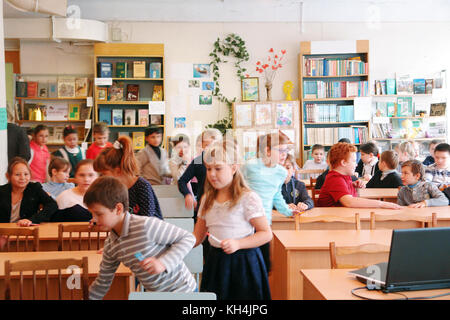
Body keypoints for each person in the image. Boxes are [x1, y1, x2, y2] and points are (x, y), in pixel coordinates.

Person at [85, 176, 196, 300]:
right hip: (158, 295)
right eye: (92, 214)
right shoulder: (111, 246)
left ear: (118, 209)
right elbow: (102, 282)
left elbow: (188, 238)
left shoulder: (145, 225)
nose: (93, 219)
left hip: (184, 291)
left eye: (99, 214)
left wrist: (163, 263)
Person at [193, 139, 272, 300]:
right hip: (216, 263)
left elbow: (265, 233)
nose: (212, 174)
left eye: (218, 168)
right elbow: (197, 237)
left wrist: (238, 243)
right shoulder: (206, 199)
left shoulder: (248, 198)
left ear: (233, 168)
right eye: (208, 169)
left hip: (244, 264)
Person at [242, 131, 296, 272]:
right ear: (267, 150)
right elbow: (237, 187)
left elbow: (276, 195)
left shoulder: (281, 172)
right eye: (281, 150)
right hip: (245, 222)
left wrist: (288, 212)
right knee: (247, 264)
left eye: (286, 150)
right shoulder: (249, 166)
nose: (284, 154)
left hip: (265, 223)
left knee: (265, 265)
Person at [94, 136, 162, 219]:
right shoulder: (112, 190)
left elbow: (147, 222)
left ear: (118, 171)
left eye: (103, 174)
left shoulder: (142, 186)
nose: (101, 178)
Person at [317, 142, 401, 209]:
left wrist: (352, 186)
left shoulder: (345, 176)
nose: (356, 165)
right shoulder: (335, 179)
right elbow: (349, 202)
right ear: (343, 163)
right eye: (354, 161)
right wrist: (382, 204)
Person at [178, 128, 223, 218]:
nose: (210, 147)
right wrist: (187, 195)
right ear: (202, 145)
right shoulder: (198, 161)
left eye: (214, 144)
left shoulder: (225, 160)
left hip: (222, 205)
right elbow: (182, 181)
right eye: (207, 144)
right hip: (203, 205)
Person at [0, 157, 57, 226]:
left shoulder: (35, 188)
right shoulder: (2, 191)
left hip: (27, 230)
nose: (22, 178)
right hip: (4, 230)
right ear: (8, 176)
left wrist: (32, 220)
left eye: (26, 174)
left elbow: (52, 205)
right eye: (17, 174)